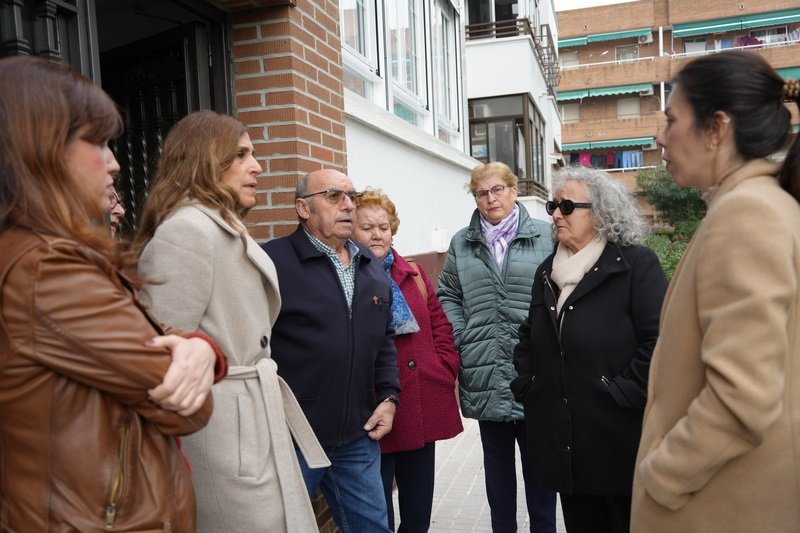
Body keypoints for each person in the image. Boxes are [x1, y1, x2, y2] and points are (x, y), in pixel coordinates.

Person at [0, 55, 226, 531]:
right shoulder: (48, 268)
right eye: (97, 142)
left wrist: (202, 349)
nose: (115, 163)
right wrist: (196, 354)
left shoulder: (34, 254)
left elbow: (155, 337)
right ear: (42, 146)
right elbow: (186, 410)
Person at [133, 110, 328, 532]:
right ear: (204, 159)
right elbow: (158, 354)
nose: (257, 166)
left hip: (251, 421)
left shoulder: (222, 227)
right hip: (220, 434)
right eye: (240, 155)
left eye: (253, 154)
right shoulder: (185, 232)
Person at [632, 51, 800, 532]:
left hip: (718, 506)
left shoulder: (746, 214)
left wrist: (662, 476)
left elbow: (743, 397)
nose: (660, 137)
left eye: (672, 120)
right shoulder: (755, 205)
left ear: (717, 128)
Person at [511, 167, 667, 533]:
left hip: (618, 437)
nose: (556, 214)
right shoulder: (548, 271)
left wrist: (623, 391)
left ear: (601, 212)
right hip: (565, 441)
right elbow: (530, 334)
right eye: (553, 206)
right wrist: (530, 383)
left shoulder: (635, 265)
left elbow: (660, 341)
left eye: (567, 206)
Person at [263, 169, 402, 532]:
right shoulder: (273, 263)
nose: (348, 205)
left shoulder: (370, 265)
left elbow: (384, 339)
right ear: (303, 209)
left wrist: (389, 397)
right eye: (333, 196)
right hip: (293, 437)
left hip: (357, 436)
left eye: (351, 197)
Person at [438, 162, 557, 532]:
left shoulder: (546, 235)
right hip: (485, 368)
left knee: (541, 474)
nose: (490, 199)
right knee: (498, 475)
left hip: (535, 372)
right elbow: (448, 294)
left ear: (513, 190)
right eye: (481, 193)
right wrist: (464, 336)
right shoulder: (462, 242)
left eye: (497, 190)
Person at [352, 188, 463, 532]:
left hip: (420, 401)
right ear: (351, 231)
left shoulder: (412, 272)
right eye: (367, 227)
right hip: (375, 408)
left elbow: (440, 323)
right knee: (377, 515)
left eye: (383, 227)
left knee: (417, 513)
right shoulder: (346, 276)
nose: (377, 234)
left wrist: (444, 366)